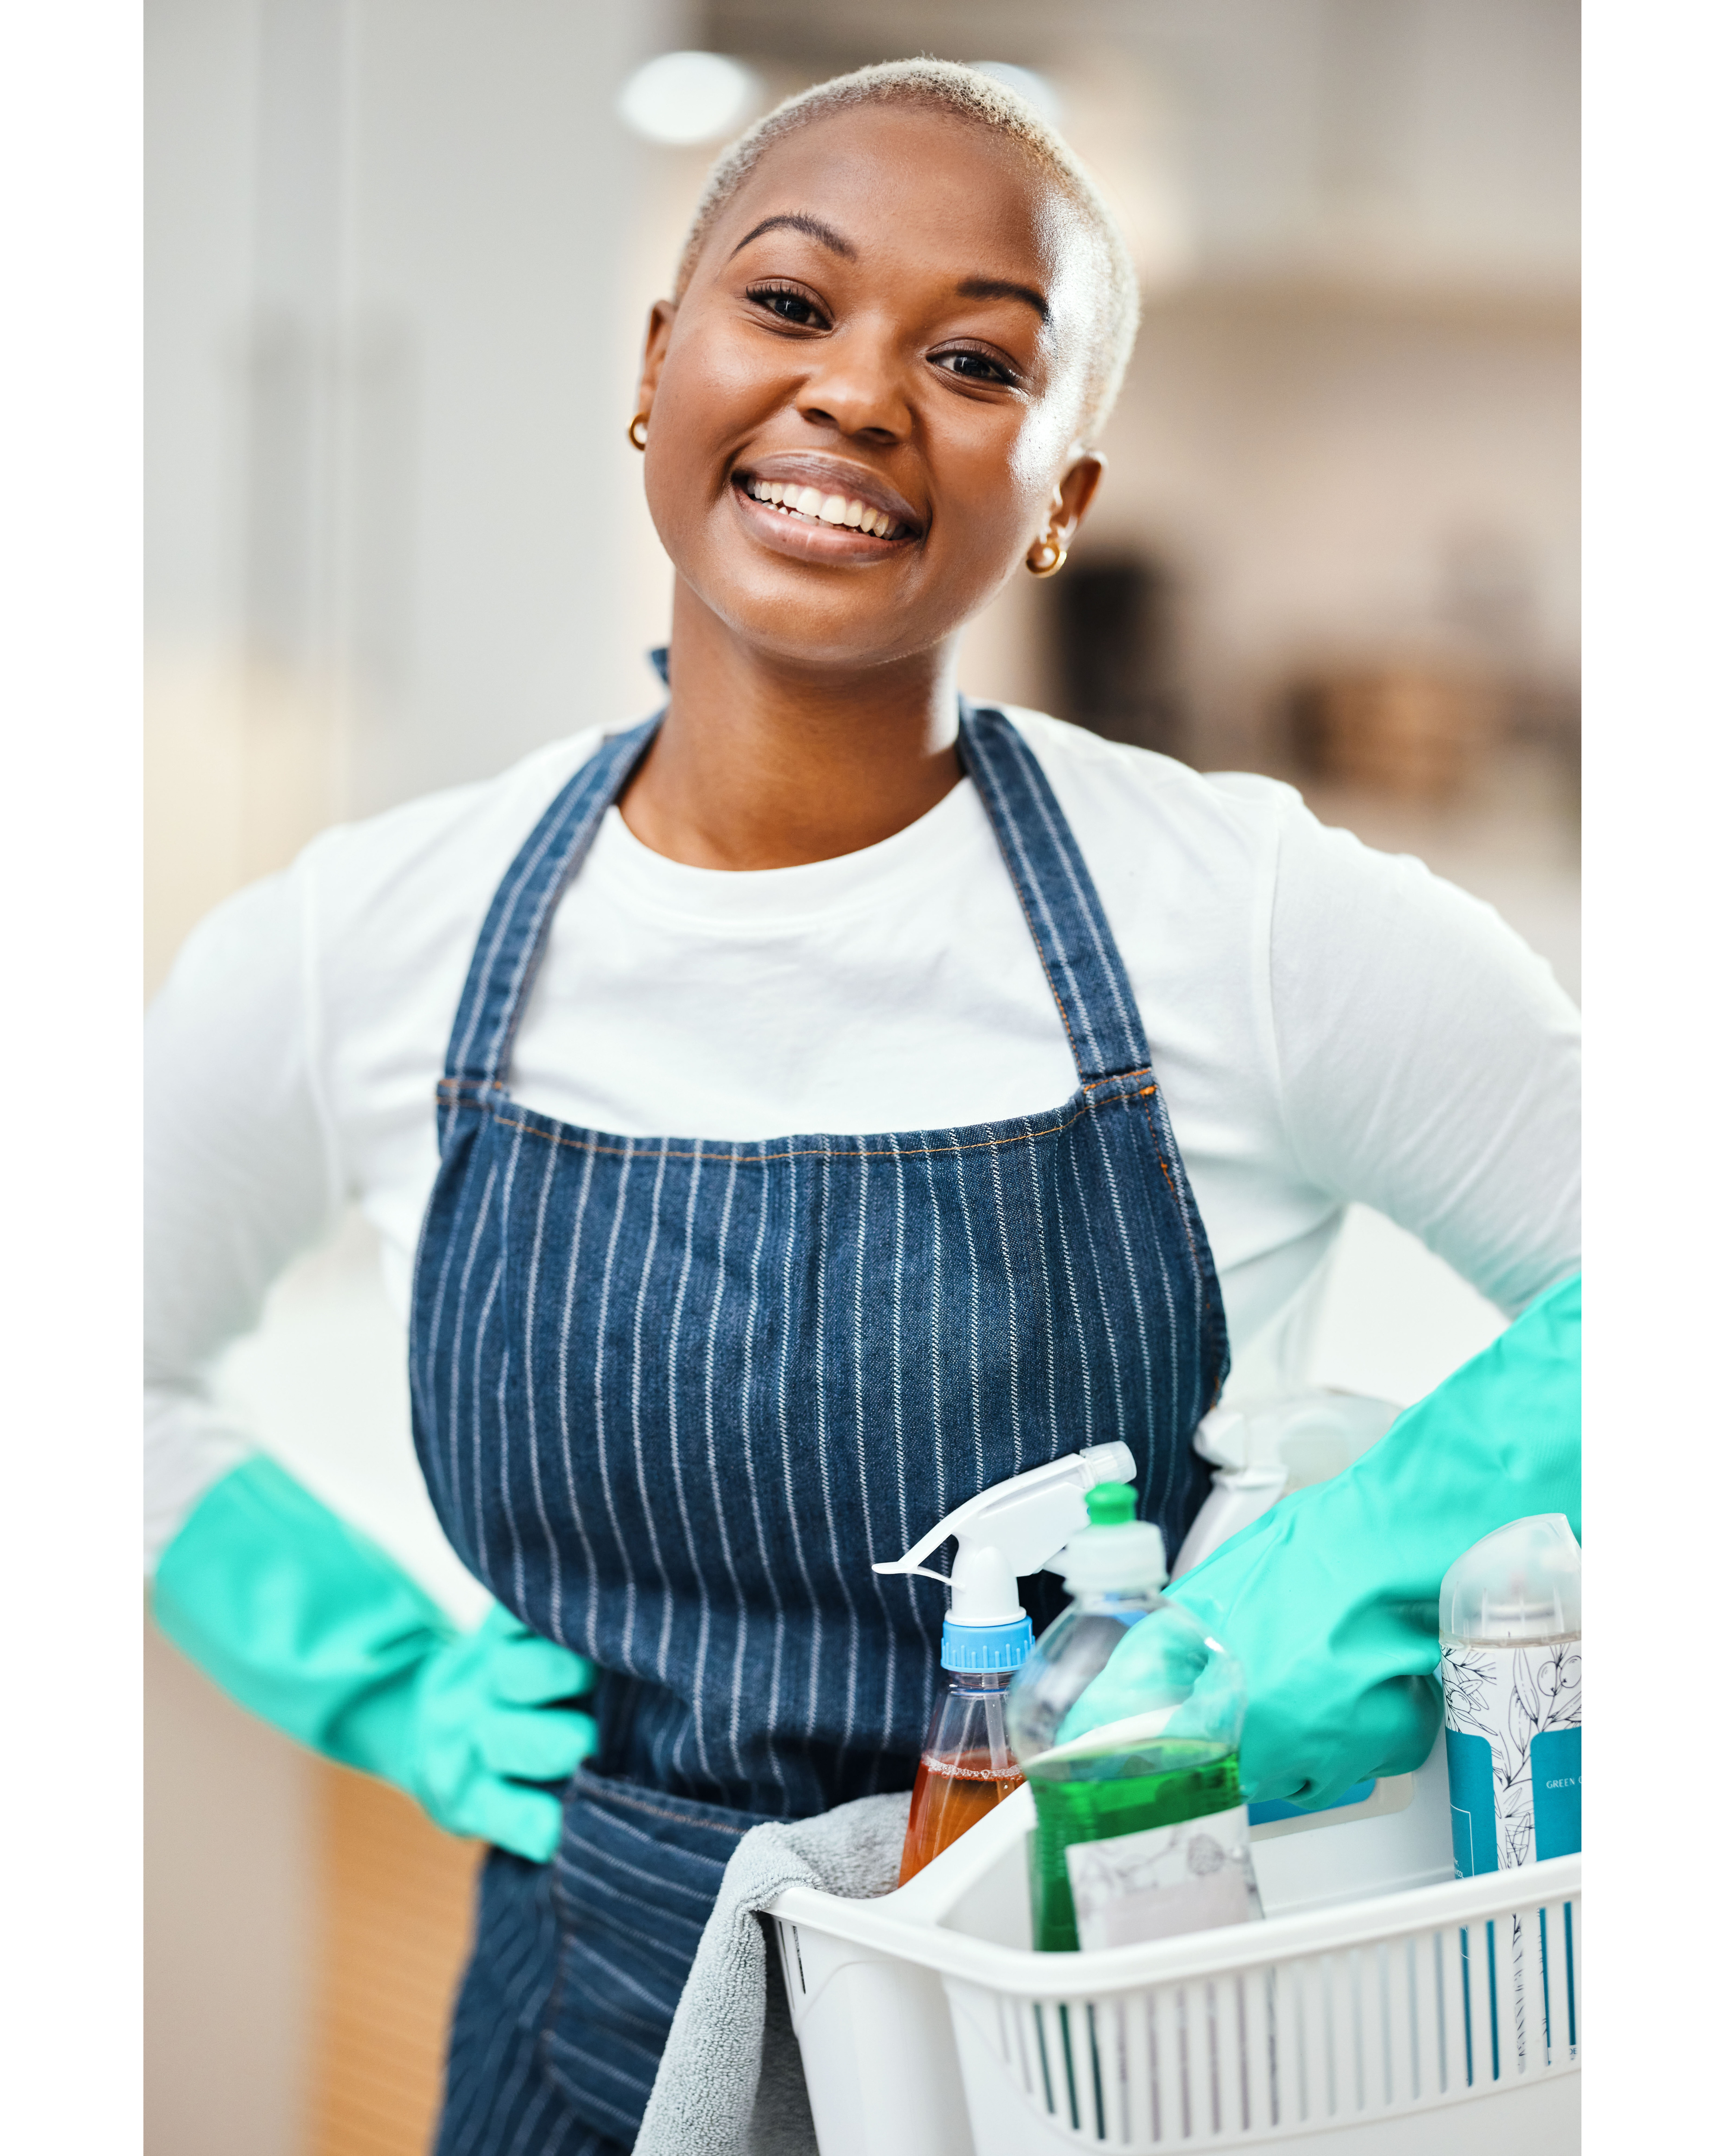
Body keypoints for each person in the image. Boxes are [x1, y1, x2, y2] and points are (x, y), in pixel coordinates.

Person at [146, 60, 1581, 2156]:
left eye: (980, 357)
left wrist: (1315, 1604)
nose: (858, 394)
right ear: (658, 367)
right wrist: (380, 1677)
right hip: (589, 2037)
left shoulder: (1252, 922)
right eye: (791, 305)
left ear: (1065, 488)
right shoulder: (376, 938)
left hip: (1109, 2019)